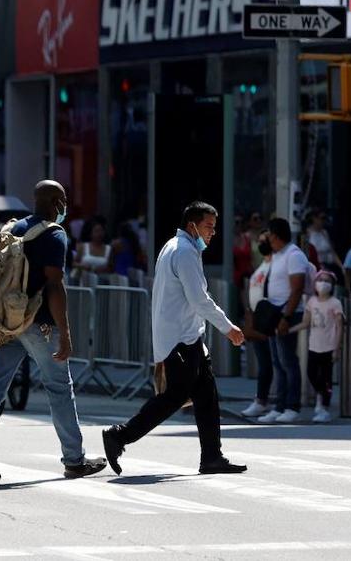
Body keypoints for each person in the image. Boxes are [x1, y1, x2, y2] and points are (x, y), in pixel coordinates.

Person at [0, 180, 107, 482]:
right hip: (38, 324)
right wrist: (64, 332)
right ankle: (74, 460)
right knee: (59, 388)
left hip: (9, 323)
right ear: (55, 202)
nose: (65, 206)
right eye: (63, 200)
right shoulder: (54, 235)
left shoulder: (14, 228)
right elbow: (55, 285)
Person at [101, 202, 247, 476]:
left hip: (189, 338)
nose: (212, 233)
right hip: (181, 340)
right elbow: (199, 300)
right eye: (208, 227)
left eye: (214, 228)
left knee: (206, 396)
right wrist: (228, 328)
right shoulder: (184, 252)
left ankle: (212, 457)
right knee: (172, 398)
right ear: (192, 225)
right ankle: (119, 436)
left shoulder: (178, 247)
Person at [256, 217, 313, 424]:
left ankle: (292, 406)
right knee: (278, 362)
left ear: (277, 235)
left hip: (287, 313)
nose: (267, 239)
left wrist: (287, 317)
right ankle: (279, 406)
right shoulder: (277, 254)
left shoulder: (293, 255)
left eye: (270, 235)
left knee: (288, 360)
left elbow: (297, 288)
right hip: (274, 313)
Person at [293, 269, 344, 424]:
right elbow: (306, 322)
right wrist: (289, 330)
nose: (323, 283)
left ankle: (324, 407)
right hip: (313, 345)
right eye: (320, 279)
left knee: (326, 378)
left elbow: (340, 326)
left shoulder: (335, 303)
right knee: (311, 374)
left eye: (327, 281)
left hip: (328, 347)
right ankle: (320, 398)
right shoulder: (311, 301)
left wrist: (337, 348)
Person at [240, 240, 275, 419]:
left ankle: (264, 401)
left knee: (273, 364)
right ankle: (262, 400)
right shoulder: (262, 265)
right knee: (264, 363)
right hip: (257, 320)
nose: (262, 242)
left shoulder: (276, 265)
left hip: (269, 320)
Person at [71, 216, 112, 282]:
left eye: (101, 231)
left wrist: (97, 270)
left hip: (101, 282)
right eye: (96, 231)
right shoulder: (83, 247)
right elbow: (73, 263)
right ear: (91, 233)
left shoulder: (109, 249)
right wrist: (85, 267)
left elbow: (110, 268)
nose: (99, 234)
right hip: (83, 281)